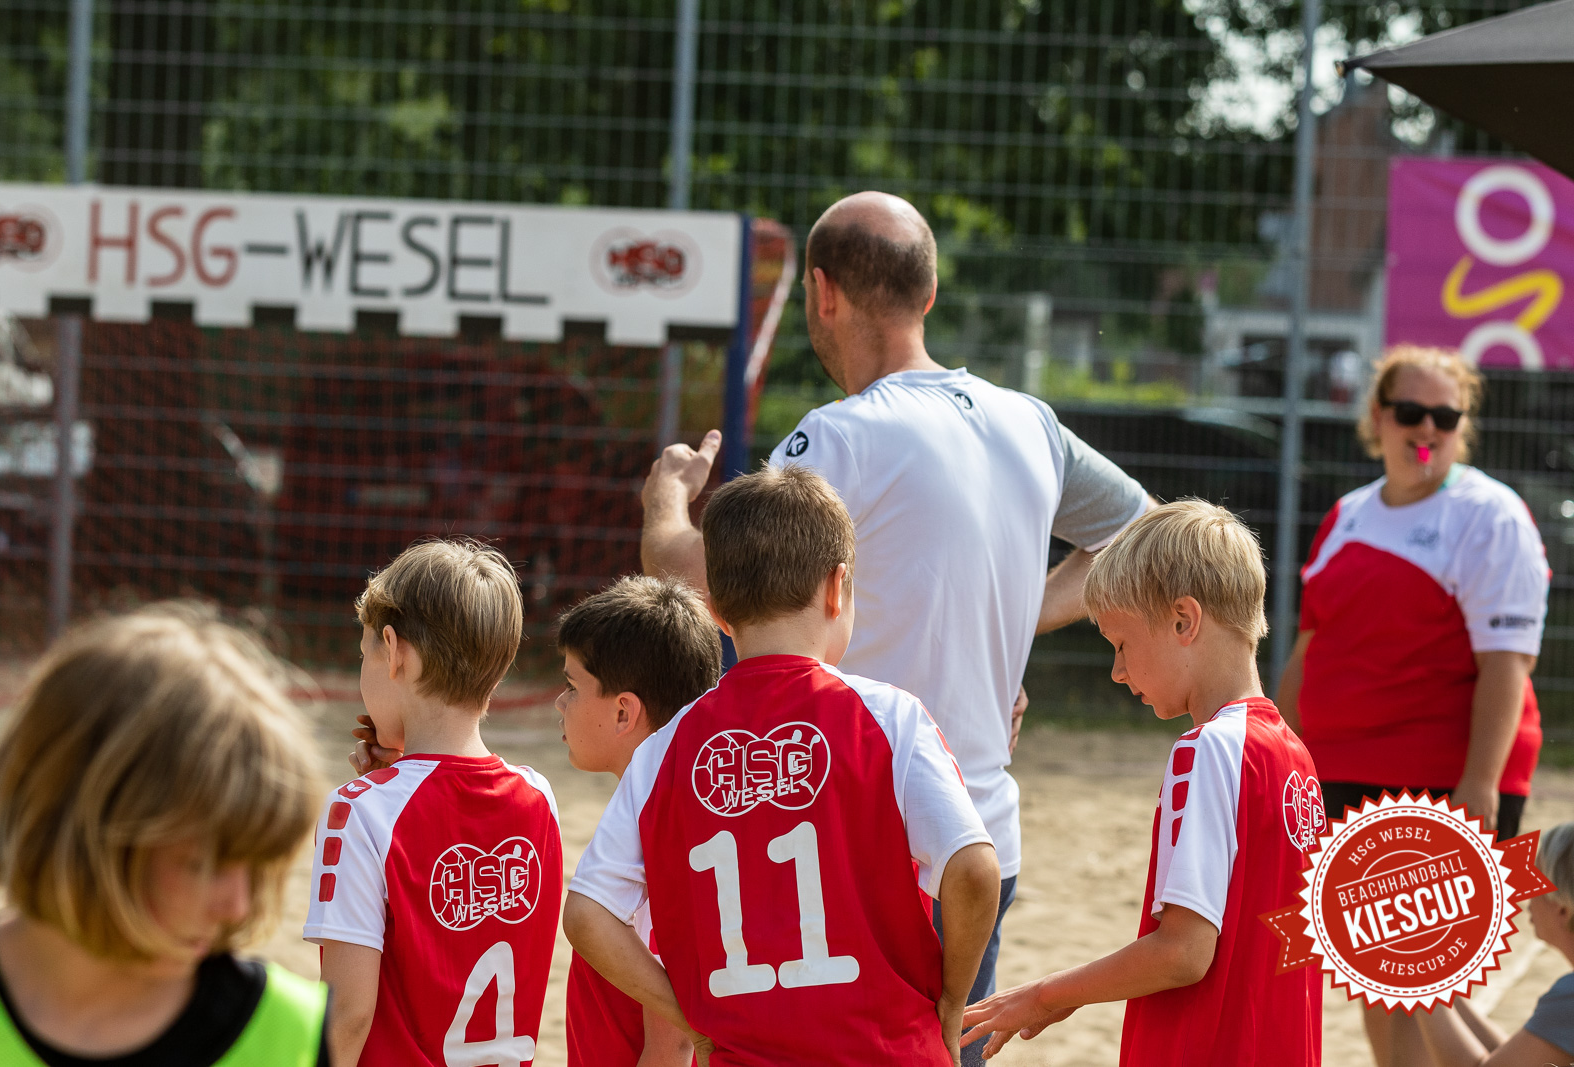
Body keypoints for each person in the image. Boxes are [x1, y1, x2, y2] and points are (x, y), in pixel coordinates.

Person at [640, 191, 1152, 1059]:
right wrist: (1005, 617)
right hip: (976, 840)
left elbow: (710, 581)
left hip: (848, 840)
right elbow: (1146, 534)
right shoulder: (1028, 421)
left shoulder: (839, 436)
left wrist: (663, 506)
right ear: (931, 290)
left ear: (822, 292)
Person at [567, 465, 1003, 1066]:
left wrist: (689, 1015)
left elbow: (588, 915)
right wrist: (953, 999)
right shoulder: (888, 718)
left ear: (717, 609)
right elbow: (975, 870)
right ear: (837, 587)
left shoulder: (664, 749)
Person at [962, 501, 1324, 1066]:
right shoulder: (1292, 754)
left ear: (1184, 620)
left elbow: (1183, 953)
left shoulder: (1207, 751)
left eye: (1121, 643)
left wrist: (1045, 997)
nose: (1117, 671)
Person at [1277, 346, 1549, 1067]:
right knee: (1384, 978)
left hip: (1444, 777)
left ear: (1463, 425)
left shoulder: (1489, 513)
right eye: (1410, 411)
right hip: (1343, 772)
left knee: (1421, 971)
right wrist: (1273, 753)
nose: (1426, 427)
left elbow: (1508, 665)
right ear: (1378, 416)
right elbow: (1311, 649)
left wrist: (1481, 784)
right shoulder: (1348, 514)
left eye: (1445, 415)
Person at [0, 604, 327, 1066]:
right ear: (83, 834)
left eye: (254, 865)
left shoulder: (293, 1034)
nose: (237, 906)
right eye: (204, 863)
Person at [303, 539, 563, 1067]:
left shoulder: (357, 811)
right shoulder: (541, 799)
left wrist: (382, 790)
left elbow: (347, 1017)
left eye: (363, 655)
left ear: (394, 650)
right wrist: (394, 778)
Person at [554, 576, 722, 1067]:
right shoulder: (664, 812)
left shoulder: (660, 840)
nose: (560, 703)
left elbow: (673, 1045)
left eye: (571, 686)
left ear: (624, 711)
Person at [1415, 821, 1574, 1066]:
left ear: (1563, 910)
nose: (1523, 895)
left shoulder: (1569, 996)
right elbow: (1514, 1059)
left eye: (1534, 881)